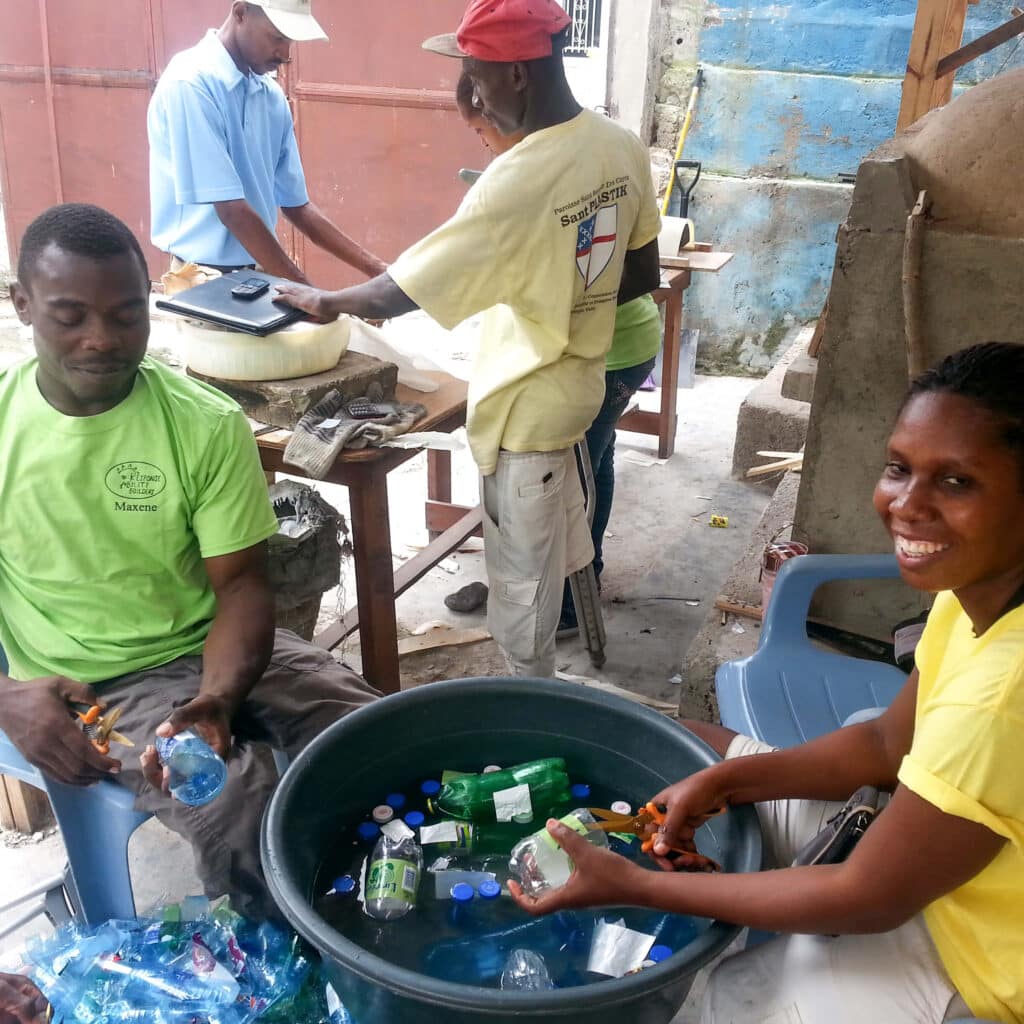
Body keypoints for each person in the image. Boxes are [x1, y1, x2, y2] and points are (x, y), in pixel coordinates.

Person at [510, 342, 1024, 1024]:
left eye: (957, 482)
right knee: (690, 746)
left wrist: (634, 887)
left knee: (735, 996)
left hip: (978, 964)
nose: (908, 505)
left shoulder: (1003, 695)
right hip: (933, 860)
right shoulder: (973, 591)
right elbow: (882, 744)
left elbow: (868, 897)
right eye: (900, 468)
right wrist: (722, 782)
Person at [0, 203, 380, 921]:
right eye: (70, 315)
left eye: (126, 315)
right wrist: (6, 696)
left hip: (211, 647)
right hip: (89, 683)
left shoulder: (204, 423)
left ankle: (383, 924)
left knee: (376, 736)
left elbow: (240, 585)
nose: (101, 341)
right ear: (22, 305)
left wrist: (218, 698)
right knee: (236, 800)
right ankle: (283, 967)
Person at [276, 0, 662, 678]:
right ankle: (557, 646)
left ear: (516, 74)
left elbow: (399, 292)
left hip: (530, 415)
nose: (472, 94)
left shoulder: (512, 183)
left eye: (478, 79)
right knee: (557, 553)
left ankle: (527, 714)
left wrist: (323, 299)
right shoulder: (618, 143)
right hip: (580, 387)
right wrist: (565, 296)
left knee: (519, 601)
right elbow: (641, 272)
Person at [451, 73, 663, 637]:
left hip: (614, 347)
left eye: (482, 131)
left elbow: (636, 274)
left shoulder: (545, 171)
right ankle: (580, 580)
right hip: (626, 342)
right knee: (596, 456)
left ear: (502, 111)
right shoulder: (594, 149)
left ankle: (569, 601)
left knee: (575, 476)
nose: (485, 146)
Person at [148, 0, 385, 283]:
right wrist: (310, 294)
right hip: (200, 279)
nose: (285, 54)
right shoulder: (191, 84)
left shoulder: (271, 97)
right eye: (277, 37)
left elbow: (298, 207)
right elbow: (232, 211)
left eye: (291, 40)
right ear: (240, 14)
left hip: (260, 273)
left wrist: (377, 269)